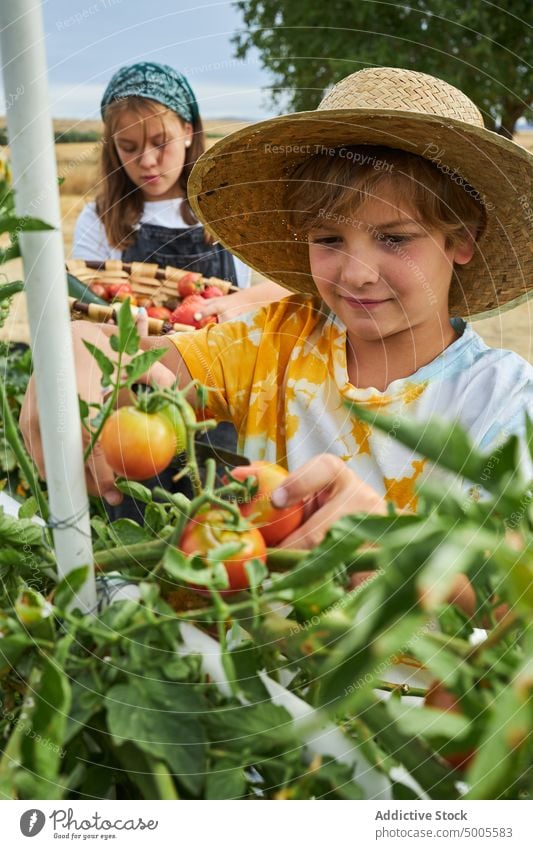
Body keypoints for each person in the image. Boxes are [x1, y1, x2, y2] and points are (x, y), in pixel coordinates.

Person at [22, 67, 532, 548]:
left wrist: (389, 550)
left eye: (394, 239)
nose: (356, 273)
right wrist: (79, 346)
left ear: (461, 240)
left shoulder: (503, 402)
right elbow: (146, 367)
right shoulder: (275, 343)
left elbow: (513, 584)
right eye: (329, 238)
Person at [72, 61, 288, 320]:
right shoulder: (99, 218)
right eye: (128, 147)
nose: (147, 161)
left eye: (160, 143)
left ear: (188, 132)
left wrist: (241, 302)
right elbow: (88, 309)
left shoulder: (227, 210)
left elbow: (300, 283)